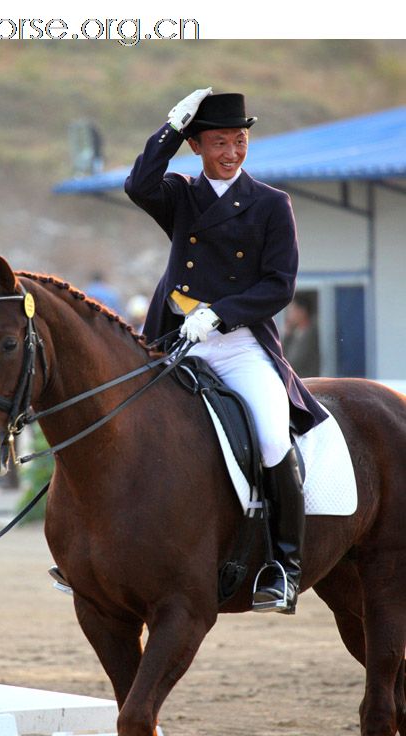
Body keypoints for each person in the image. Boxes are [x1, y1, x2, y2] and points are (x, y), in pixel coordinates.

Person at [125, 89, 328, 614]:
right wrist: (170, 127)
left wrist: (223, 313)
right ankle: (105, 548)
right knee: (123, 422)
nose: (233, 152)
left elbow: (280, 285)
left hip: (237, 344)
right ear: (196, 146)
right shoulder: (181, 196)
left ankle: (284, 565)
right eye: (219, 142)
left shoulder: (270, 203)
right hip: (178, 341)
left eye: (240, 141)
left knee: (270, 438)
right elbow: (137, 183)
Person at [282, 294, 320, 378]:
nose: (289, 315)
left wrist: (286, 338)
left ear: (302, 311)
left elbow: (291, 363)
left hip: (308, 383)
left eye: (291, 311)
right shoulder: (297, 333)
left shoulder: (310, 334)